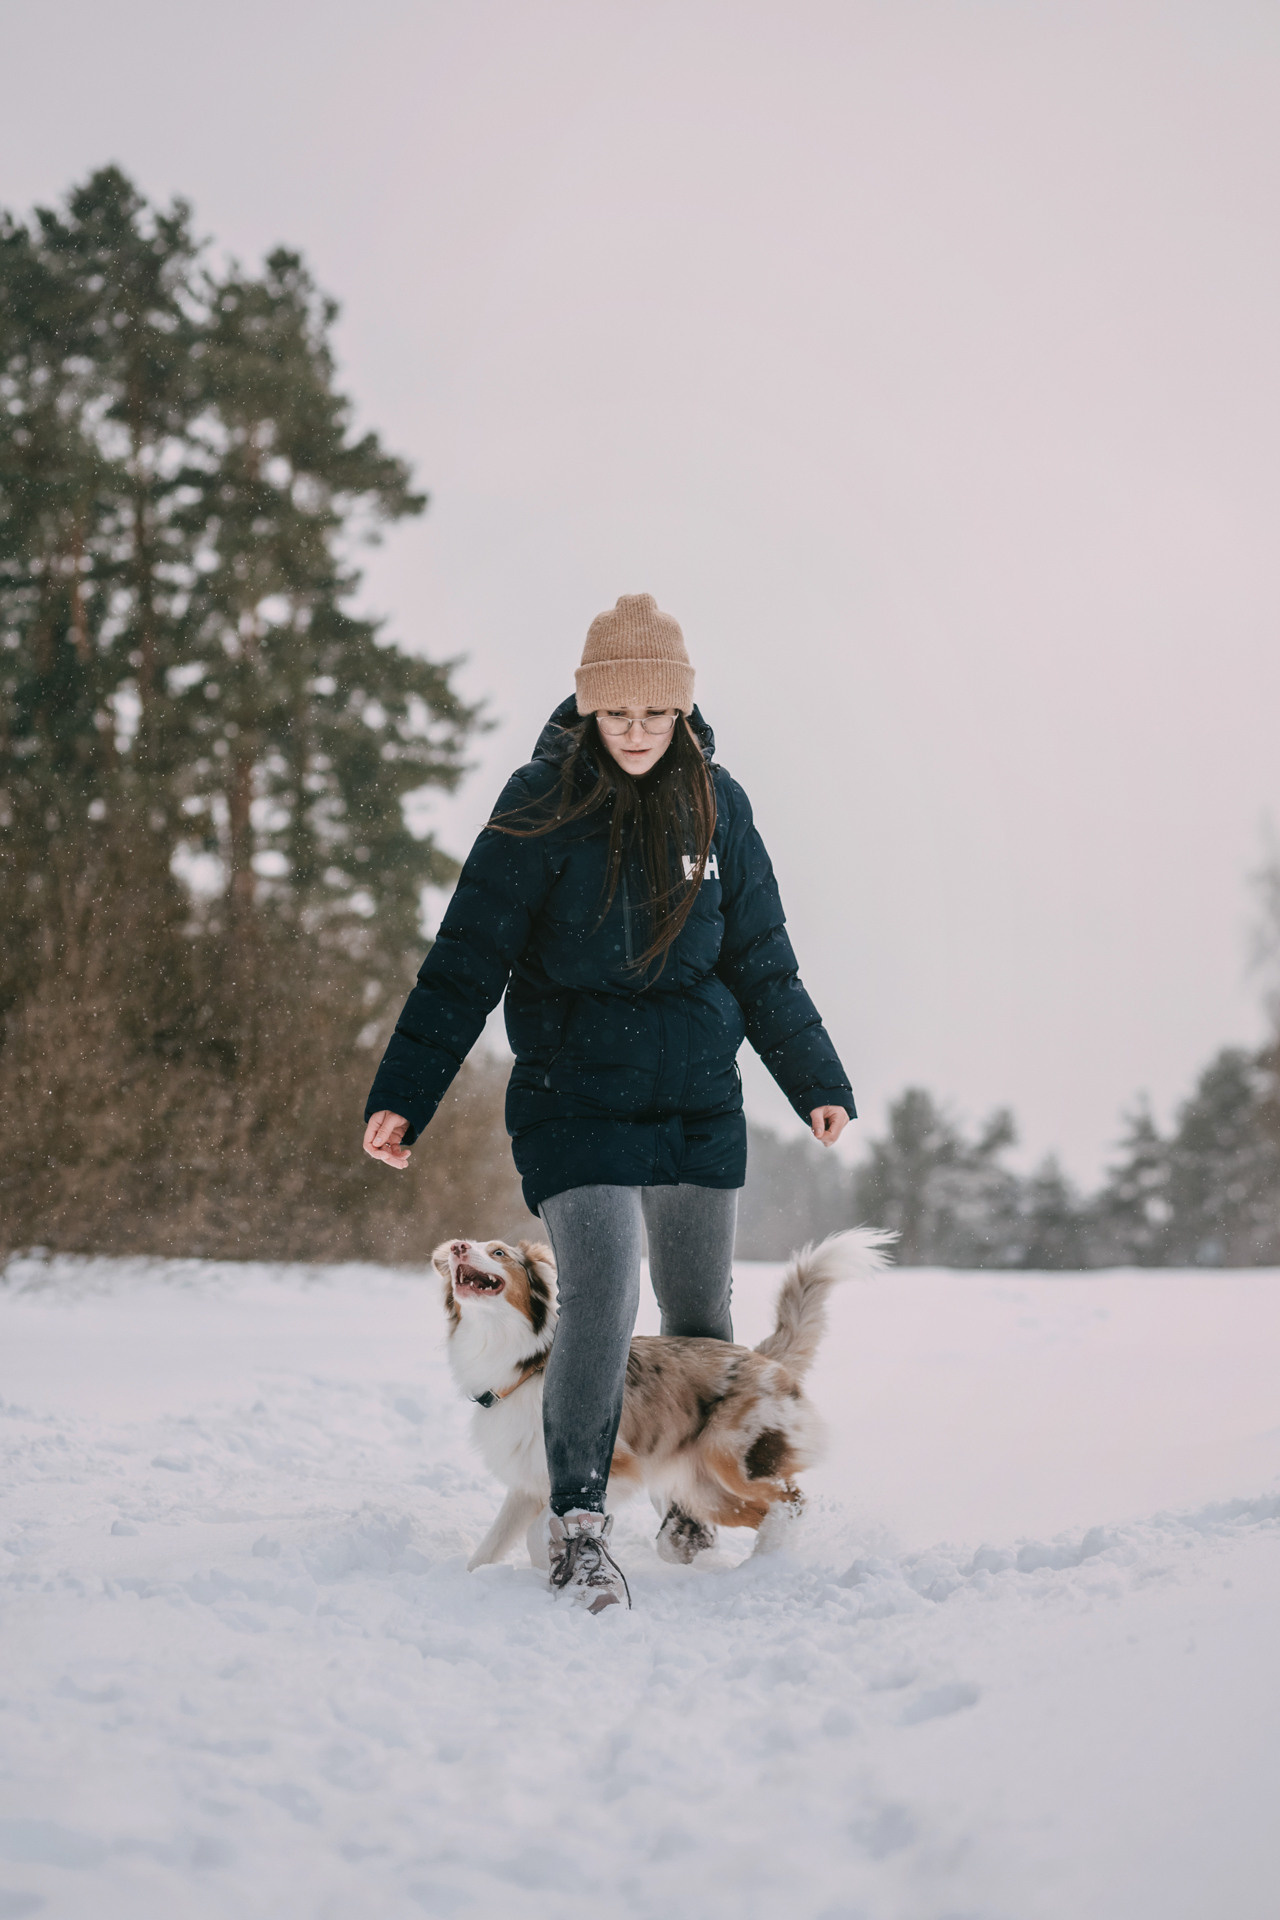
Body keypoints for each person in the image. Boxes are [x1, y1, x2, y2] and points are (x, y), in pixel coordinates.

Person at [363, 593, 855, 1611]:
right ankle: (577, 1523)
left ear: (681, 713)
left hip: (691, 1103)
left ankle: (687, 1500)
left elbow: (760, 959)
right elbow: (463, 965)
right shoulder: (536, 806)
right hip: (570, 1098)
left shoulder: (719, 806)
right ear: (588, 711)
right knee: (599, 1295)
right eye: (615, 715)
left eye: (653, 716)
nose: (634, 735)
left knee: (697, 1315)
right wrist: (402, 1097)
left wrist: (813, 1081)